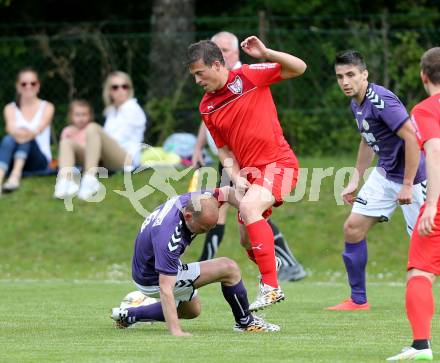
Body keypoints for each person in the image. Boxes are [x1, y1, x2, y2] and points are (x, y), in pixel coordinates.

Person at [186, 36, 307, 311]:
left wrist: (267, 52)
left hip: (280, 164)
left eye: (199, 73)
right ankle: (270, 263)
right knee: (246, 239)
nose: (197, 81)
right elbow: (224, 150)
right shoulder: (206, 106)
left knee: (250, 208)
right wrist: (236, 174)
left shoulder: (249, 76)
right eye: (193, 75)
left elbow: (299, 67)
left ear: (216, 65)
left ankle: (271, 286)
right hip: (250, 174)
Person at [326, 50, 426, 311]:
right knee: (353, 228)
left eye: (351, 75)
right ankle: (358, 300)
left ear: (364, 75)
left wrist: (406, 184)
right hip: (385, 174)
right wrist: (355, 179)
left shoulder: (382, 101)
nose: (345, 81)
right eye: (340, 77)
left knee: (428, 245)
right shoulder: (356, 103)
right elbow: (367, 138)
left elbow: (412, 139)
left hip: (415, 180)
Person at [110, 188, 280, 335]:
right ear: (188, 216)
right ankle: (246, 322)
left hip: (148, 266)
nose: (205, 232)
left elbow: (228, 192)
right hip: (151, 278)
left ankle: (129, 314)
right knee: (229, 268)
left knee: (192, 310)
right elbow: (165, 288)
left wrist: (249, 213)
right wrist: (176, 331)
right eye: (204, 228)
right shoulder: (169, 237)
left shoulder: (199, 200)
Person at [387, 47, 440, 361]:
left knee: (419, 272)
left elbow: (434, 152)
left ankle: (421, 345)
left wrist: (432, 203)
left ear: (423, 77)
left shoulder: (426, 109)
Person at [54, 71, 147, 200]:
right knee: (67, 142)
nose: (120, 90)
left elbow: (116, 140)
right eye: (115, 87)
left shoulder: (132, 108)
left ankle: (90, 179)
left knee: (93, 128)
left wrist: (90, 143)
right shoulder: (111, 111)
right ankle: (64, 182)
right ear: (109, 92)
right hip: (106, 158)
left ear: (129, 89)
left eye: (124, 86)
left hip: (126, 159)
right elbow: (104, 140)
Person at [0, 67, 54, 195]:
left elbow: (38, 130)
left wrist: (22, 132)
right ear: (18, 87)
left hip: (39, 160)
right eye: (24, 84)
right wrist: (23, 133)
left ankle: (15, 176)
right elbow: (10, 129)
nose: (28, 87)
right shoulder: (10, 108)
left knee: (26, 139)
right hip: (14, 157)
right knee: (9, 139)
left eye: (33, 83)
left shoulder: (47, 107)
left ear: (38, 86)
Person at [53, 99, 92, 198]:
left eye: (84, 115)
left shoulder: (91, 130)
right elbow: (63, 151)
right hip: (71, 163)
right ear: (71, 116)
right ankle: (64, 184)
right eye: (78, 115)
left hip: (86, 161)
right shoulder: (67, 131)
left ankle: (71, 182)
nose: (81, 118)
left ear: (89, 116)